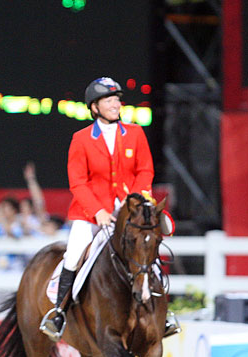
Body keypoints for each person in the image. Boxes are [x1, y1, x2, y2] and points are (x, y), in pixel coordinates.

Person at [40, 77, 178, 340]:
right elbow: (78, 183)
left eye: (117, 99)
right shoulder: (80, 139)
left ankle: (164, 313)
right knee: (75, 252)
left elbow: (145, 170)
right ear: (95, 107)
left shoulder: (135, 133)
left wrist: (136, 200)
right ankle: (58, 312)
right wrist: (98, 212)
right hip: (91, 212)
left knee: (148, 251)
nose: (116, 104)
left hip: (131, 208)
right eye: (109, 100)